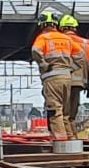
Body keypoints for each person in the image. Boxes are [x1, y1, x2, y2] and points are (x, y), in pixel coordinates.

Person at [31, 11, 76, 141]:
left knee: (55, 111)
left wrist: (44, 64)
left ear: (42, 25)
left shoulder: (43, 38)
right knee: (65, 113)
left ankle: (61, 142)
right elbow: (79, 56)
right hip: (67, 78)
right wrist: (71, 67)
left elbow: (35, 51)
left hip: (52, 77)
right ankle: (71, 140)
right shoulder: (67, 38)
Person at [59, 14, 89, 139]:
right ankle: (73, 137)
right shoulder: (85, 43)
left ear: (62, 28)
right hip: (78, 83)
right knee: (71, 115)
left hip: (61, 81)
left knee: (62, 113)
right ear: (75, 28)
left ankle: (66, 138)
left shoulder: (60, 41)